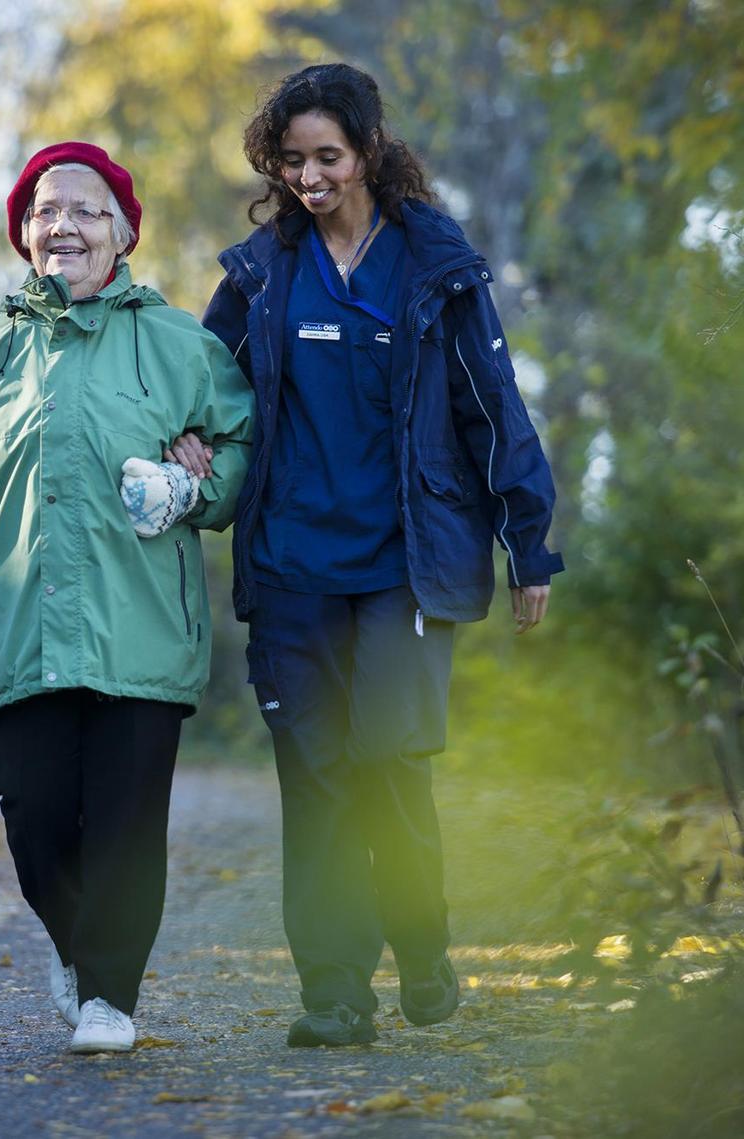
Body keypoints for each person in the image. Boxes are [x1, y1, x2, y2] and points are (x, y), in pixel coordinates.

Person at [196, 63, 564, 1047]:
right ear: (273, 164)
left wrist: (528, 537)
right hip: (289, 569)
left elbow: (490, 399)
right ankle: (332, 992)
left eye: (327, 156)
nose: (310, 176)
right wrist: (180, 441)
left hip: (404, 561)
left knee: (390, 766)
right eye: (292, 159)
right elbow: (200, 387)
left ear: (365, 151)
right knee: (314, 781)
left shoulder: (431, 262)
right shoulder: (262, 272)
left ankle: (422, 942)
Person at [0, 142, 253, 1054]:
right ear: (24, 234)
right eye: (44, 210)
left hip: (142, 634)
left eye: (83, 208)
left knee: (125, 827)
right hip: (19, 635)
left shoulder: (178, 345)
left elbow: (243, 454)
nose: (62, 223)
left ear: (122, 231)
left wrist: (192, 487)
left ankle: (111, 995)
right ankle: (79, 953)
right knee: (36, 826)